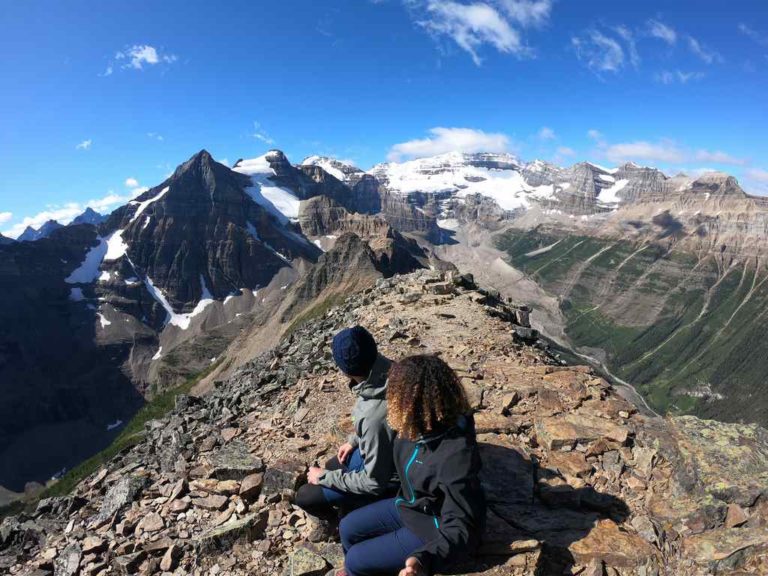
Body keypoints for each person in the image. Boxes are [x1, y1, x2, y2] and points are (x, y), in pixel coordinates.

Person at [338, 354, 486, 576]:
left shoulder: (454, 456)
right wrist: (355, 440)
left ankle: (357, 570)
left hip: (432, 526)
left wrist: (424, 559)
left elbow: (464, 526)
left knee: (355, 560)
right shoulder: (413, 427)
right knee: (347, 528)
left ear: (411, 403)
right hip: (410, 504)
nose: (390, 399)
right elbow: (378, 427)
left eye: (396, 394)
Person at [295, 325, 398, 519]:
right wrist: (354, 441)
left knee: (305, 496)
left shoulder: (372, 416)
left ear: (344, 370)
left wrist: (323, 477)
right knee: (333, 463)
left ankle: (342, 521)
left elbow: (374, 482)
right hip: (390, 451)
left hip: (391, 478)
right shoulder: (391, 369)